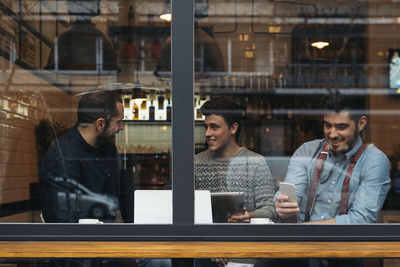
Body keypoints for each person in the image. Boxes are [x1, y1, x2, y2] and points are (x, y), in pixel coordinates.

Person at [39, 89, 170, 267]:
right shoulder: (63, 157)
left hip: (109, 247)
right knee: (162, 263)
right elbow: (67, 225)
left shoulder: (107, 148)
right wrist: (123, 251)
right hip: (80, 255)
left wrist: (139, 237)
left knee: (165, 256)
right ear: (100, 124)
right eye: (119, 122)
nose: (122, 127)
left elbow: (125, 192)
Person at [275, 91, 390, 224]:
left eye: (341, 127)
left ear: (361, 123)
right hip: (302, 242)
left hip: (348, 243)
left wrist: (305, 228)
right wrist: (281, 203)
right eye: (327, 125)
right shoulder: (307, 151)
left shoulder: (374, 161)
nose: (332, 134)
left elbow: (361, 219)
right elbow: (292, 192)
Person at [195, 96, 276, 223]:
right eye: (206, 127)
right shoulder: (196, 163)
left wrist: (249, 216)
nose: (207, 133)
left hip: (244, 239)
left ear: (233, 128)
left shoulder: (256, 163)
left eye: (214, 127)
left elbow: (269, 210)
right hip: (204, 238)